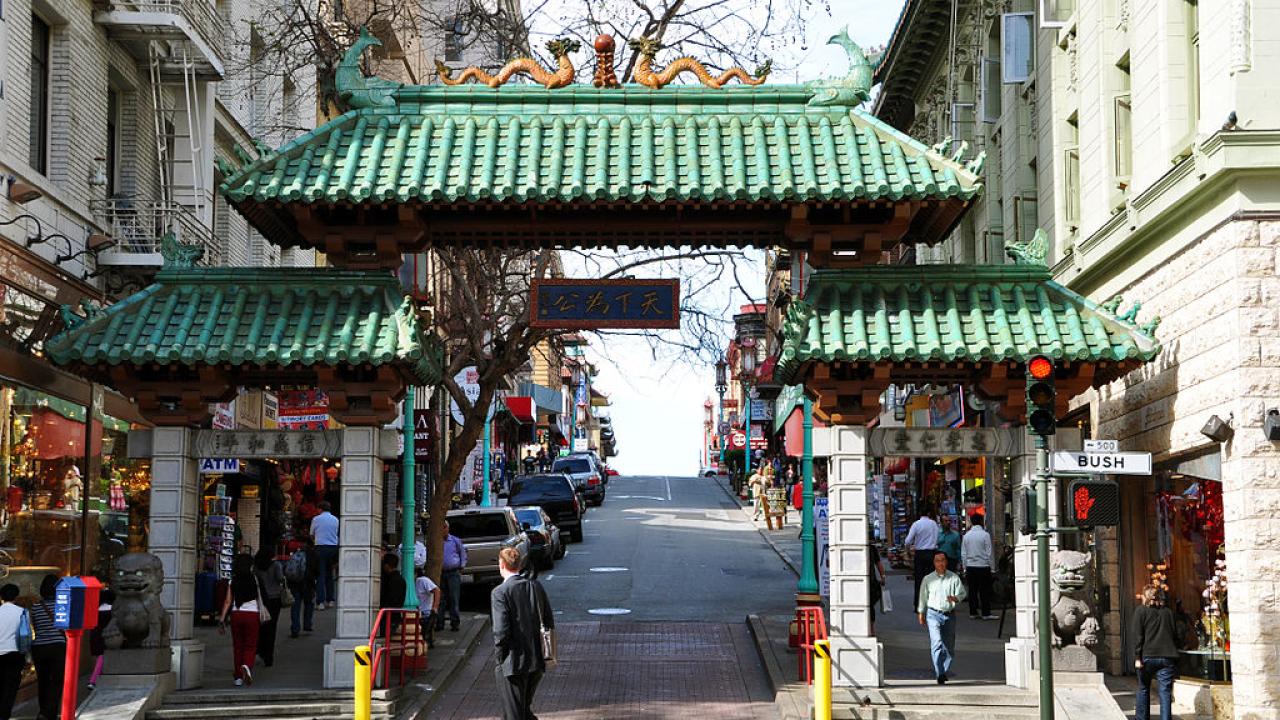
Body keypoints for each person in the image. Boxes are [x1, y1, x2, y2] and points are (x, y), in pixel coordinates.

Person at [491, 547, 554, 720]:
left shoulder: (500, 592)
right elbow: (548, 620)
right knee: (521, 710)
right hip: (536, 660)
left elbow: (501, 630)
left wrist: (499, 657)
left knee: (515, 713)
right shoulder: (535, 586)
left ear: (501, 564)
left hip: (513, 663)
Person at [917, 551, 966, 684]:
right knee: (937, 642)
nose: (941, 563)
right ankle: (939, 673)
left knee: (949, 648)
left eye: (943, 560)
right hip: (933, 614)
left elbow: (962, 593)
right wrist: (921, 612)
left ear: (946, 562)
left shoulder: (954, 578)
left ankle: (943, 670)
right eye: (938, 561)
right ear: (934, 563)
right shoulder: (928, 579)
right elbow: (923, 597)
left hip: (949, 615)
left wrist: (956, 598)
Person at [1133, 586, 1180, 720]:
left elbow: (1138, 636)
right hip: (1167, 656)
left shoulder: (1141, 611)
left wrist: (1137, 657)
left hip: (1147, 656)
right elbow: (1175, 634)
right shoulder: (1168, 612)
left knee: (1143, 689)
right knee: (1165, 692)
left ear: (1144, 596)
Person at [220, 553, 263, 686]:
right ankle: (247, 665)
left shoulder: (233, 581)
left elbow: (228, 601)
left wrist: (222, 619)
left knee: (238, 646)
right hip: (252, 614)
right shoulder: (255, 579)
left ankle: (238, 677)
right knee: (250, 645)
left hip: (236, 614)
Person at [30, 574, 66, 719]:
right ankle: (50, 712)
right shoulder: (61, 606)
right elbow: (65, 626)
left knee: (43, 680)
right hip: (57, 645)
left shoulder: (36, 607)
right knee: (57, 680)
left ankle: (43, 711)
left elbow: (36, 627)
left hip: (39, 647)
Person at [0, 583, 29, 719]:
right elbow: (27, 635)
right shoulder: (22, 612)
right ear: (16, 597)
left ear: (1, 597)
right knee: (10, 689)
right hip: (15, 654)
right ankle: (4, 715)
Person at [254, 547, 285, 667]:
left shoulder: (257, 567)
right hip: (274, 598)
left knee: (261, 626)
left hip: (261, 599)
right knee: (272, 628)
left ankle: (260, 650)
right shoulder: (276, 565)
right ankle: (268, 656)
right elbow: (280, 578)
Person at [960, 515, 995, 620]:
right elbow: (989, 552)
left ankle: (973, 612)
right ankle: (986, 612)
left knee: (972, 591)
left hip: (971, 566)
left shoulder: (967, 536)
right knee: (984, 591)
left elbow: (964, 553)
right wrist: (992, 567)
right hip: (983, 566)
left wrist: (965, 567)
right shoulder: (985, 535)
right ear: (981, 521)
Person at [904, 509, 940, 609]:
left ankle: (918, 605)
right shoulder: (934, 524)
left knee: (919, 580)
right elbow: (938, 538)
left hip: (920, 554)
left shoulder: (916, 524)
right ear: (928, 514)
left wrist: (908, 551)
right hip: (932, 554)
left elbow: (907, 541)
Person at [286, 537, 318, 638]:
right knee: (309, 604)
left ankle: (295, 629)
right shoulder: (313, 554)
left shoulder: (296, 554)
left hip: (295, 583)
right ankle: (307, 624)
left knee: (295, 606)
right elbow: (317, 571)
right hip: (308, 583)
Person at [310, 501, 340, 609]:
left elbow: (312, 534)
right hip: (333, 548)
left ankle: (320, 602)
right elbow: (337, 534)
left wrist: (316, 541)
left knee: (320, 575)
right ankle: (330, 600)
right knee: (329, 575)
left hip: (320, 548)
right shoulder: (336, 519)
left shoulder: (316, 519)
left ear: (320, 509)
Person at [438, 521, 467, 632]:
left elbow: (462, 554)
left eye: (445, 527)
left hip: (453, 572)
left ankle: (455, 623)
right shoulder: (437, 541)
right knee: (441, 599)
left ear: (448, 528)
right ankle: (439, 623)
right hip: (441, 573)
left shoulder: (455, 540)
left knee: (454, 598)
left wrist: (461, 567)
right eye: (441, 527)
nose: (443, 530)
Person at [87, 588, 116, 690]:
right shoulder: (112, 610)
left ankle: (96, 677)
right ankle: (93, 680)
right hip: (107, 636)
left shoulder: (96, 609)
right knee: (102, 658)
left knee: (99, 658)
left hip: (95, 636)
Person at [415, 568, 441, 649]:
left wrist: (435, 607)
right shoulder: (413, 582)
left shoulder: (423, 580)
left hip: (425, 613)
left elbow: (437, 590)